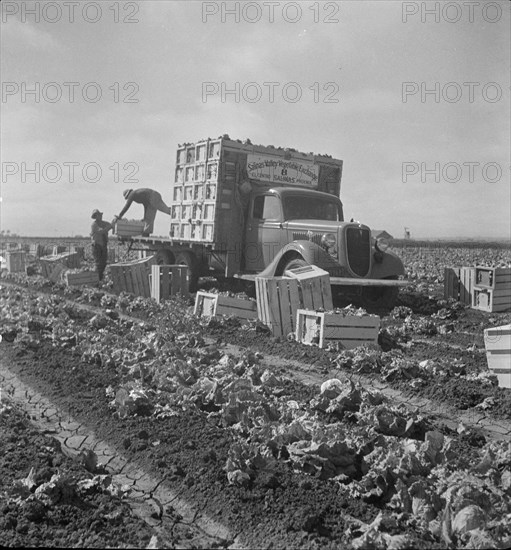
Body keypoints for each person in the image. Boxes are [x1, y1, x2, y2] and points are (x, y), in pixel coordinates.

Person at [90, 209, 113, 281]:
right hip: (97, 246)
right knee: (98, 263)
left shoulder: (103, 223)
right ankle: (96, 279)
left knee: (103, 263)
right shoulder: (94, 224)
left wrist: (112, 224)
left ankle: (99, 278)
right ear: (95, 216)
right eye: (98, 215)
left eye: (100, 215)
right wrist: (108, 228)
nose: (100, 216)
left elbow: (110, 225)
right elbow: (101, 231)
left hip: (103, 245)